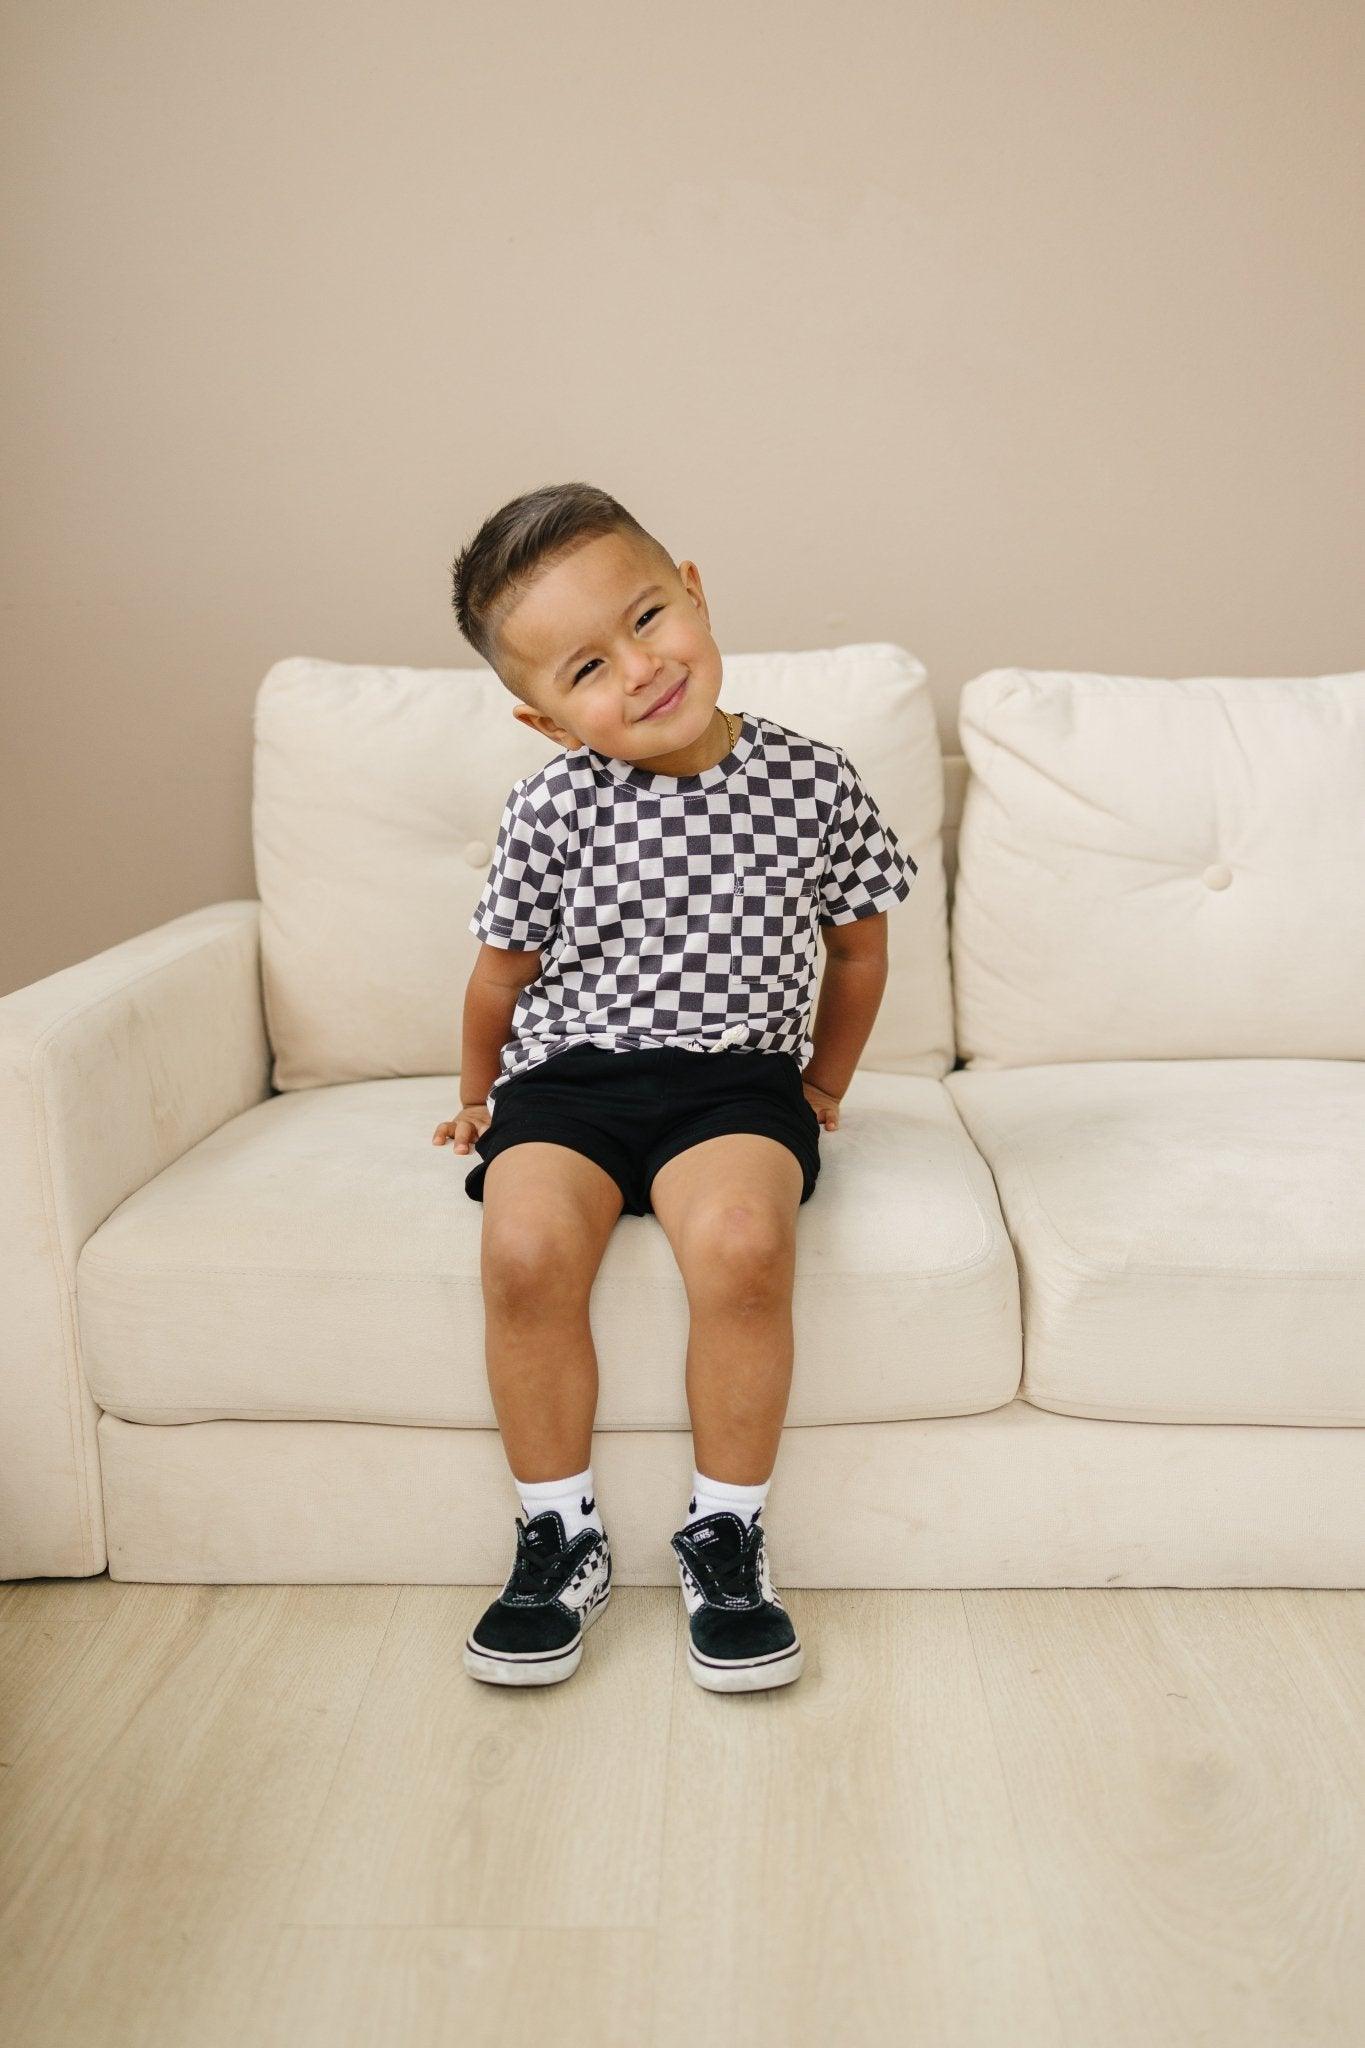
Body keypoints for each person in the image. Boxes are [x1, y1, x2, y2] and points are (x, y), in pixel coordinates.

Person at [435, 481, 917, 1694]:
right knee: (524, 1251)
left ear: (694, 590)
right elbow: (499, 980)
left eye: (649, 618)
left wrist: (822, 1084)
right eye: (588, 668)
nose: (640, 669)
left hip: (734, 1083)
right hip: (571, 1081)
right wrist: (479, 1092)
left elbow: (858, 949)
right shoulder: (549, 809)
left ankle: (728, 1534)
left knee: (747, 1244)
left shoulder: (812, 781)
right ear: (545, 721)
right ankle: (559, 1534)